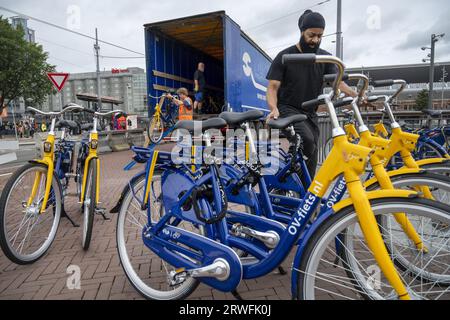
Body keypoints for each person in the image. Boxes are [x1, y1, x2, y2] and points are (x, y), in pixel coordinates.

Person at [266, 10, 359, 179]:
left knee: (313, 150)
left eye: (319, 36)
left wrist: (355, 93)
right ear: (302, 31)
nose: (315, 40)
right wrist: (273, 108)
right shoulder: (285, 56)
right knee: (307, 141)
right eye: (311, 35)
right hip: (288, 110)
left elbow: (337, 81)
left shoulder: (325, 58)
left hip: (310, 113)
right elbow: (272, 87)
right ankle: (292, 179)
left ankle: (305, 191)